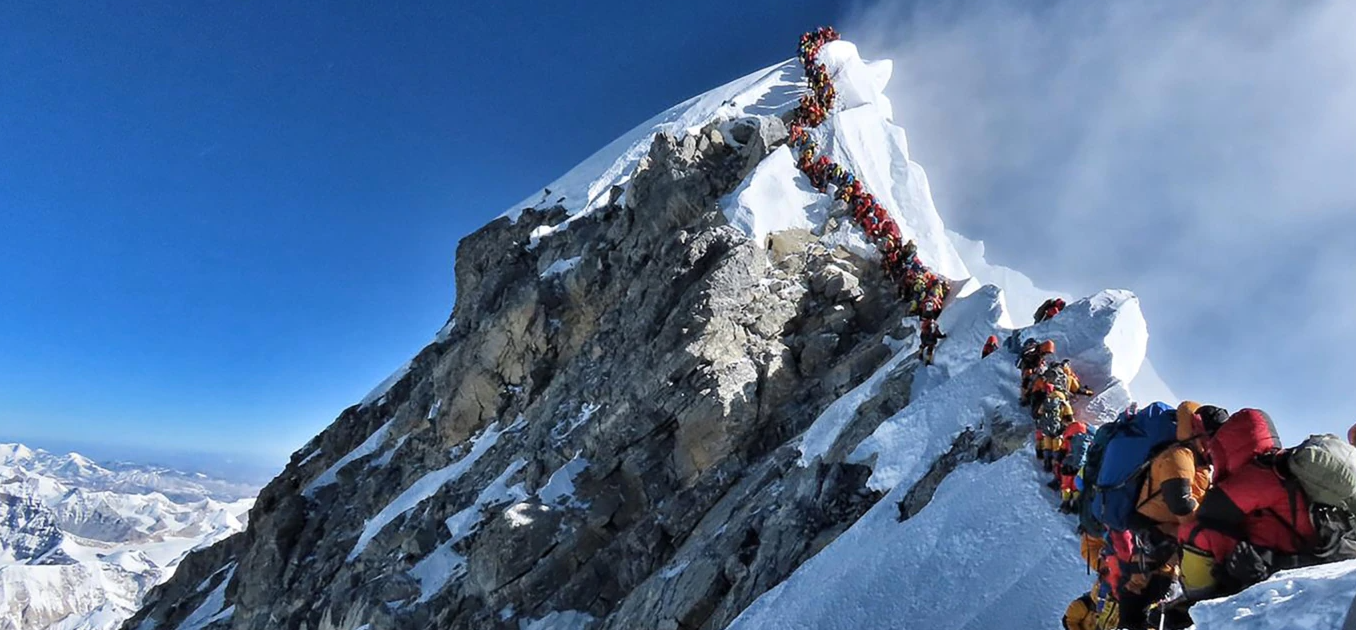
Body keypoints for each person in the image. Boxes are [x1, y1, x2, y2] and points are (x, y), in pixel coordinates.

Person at [1178, 409, 1315, 601]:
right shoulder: (1275, 465)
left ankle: (1194, 602)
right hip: (1291, 551)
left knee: (1195, 532)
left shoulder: (1258, 472)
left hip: (1284, 559)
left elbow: (1211, 511)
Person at [1134, 402, 1227, 539]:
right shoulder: (1179, 455)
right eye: (1214, 439)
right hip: (1150, 528)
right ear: (1199, 431)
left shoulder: (1200, 463)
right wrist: (1208, 534)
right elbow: (1181, 504)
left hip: (1164, 527)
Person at [1017, 340, 1056, 406]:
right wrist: (1032, 367)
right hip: (1027, 366)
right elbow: (1026, 358)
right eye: (1046, 352)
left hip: (1036, 366)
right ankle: (1024, 397)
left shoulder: (1041, 352)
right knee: (1026, 380)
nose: (1046, 354)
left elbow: (1043, 360)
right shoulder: (1032, 351)